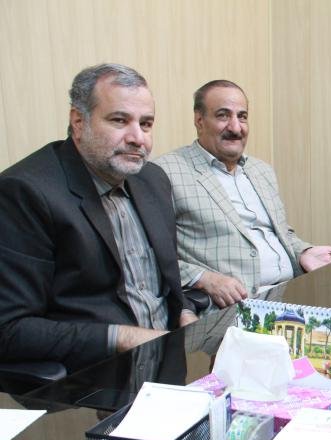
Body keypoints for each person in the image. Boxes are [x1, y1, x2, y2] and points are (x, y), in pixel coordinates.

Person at [0, 64, 196, 372]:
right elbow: (9, 329)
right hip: (96, 377)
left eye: (146, 124)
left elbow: (165, 283)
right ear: (78, 122)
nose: (138, 138)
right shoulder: (25, 192)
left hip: (166, 361)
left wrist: (184, 311)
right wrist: (123, 337)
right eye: (119, 120)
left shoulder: (153, 179)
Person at [155, 80, 331, 309]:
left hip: (292, 293)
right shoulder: (165, 172)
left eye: (242, 116)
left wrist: (303, 252)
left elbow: (281, 233)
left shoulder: (261, 170)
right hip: (235, 308)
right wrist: (204, 279)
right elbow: (150, 257)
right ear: (199, 120)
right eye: (223, 115)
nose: (236, 128)